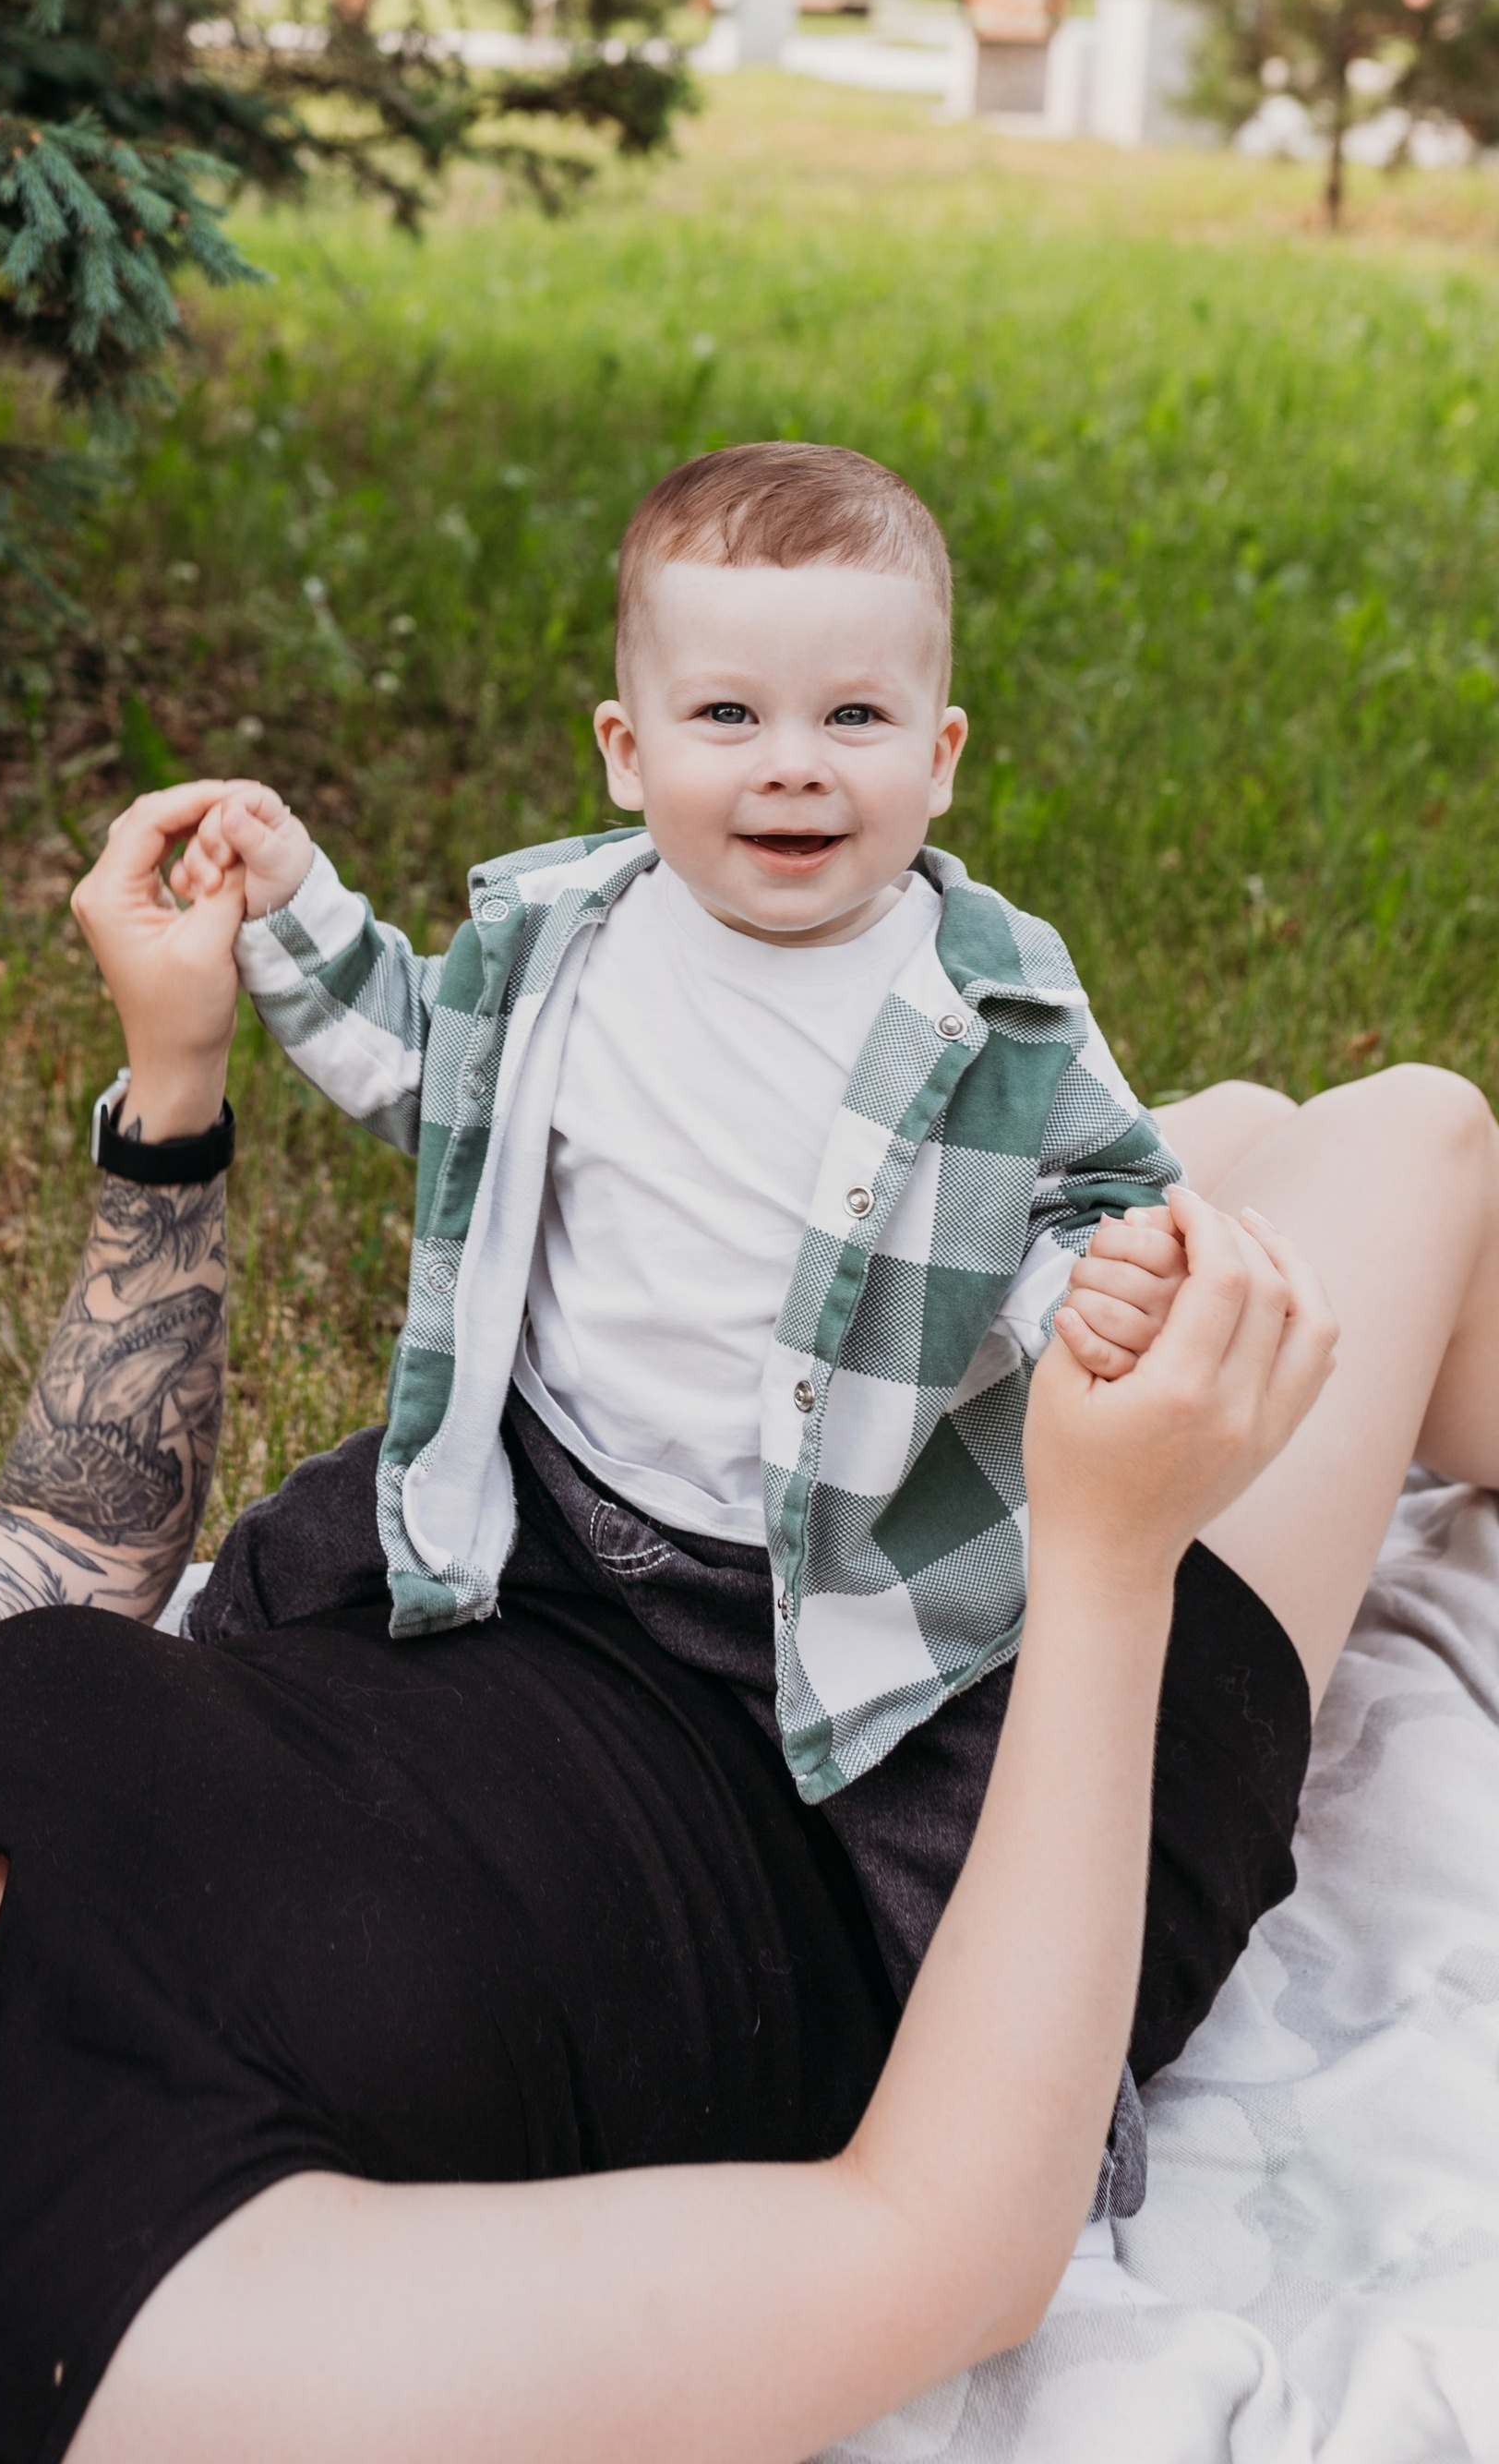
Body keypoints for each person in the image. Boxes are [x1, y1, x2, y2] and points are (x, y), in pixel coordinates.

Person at [0, 782, 1493, 2464]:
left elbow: (63, 1550)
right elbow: (937, 2247)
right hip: (930, 1795)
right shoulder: (150, 2348)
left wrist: (168, 1089)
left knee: (1205, 1131)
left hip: (579, 1538)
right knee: (1387, 1144)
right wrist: (1094, 1552)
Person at [167, 440, 1207, 2194]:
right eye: (728, 717)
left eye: (856, 720)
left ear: (940, 759)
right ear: (628, 750)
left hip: (851, 1555)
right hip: (562, 1485)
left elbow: (1105, 1194)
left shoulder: (995, 1003)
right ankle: (170, 1749)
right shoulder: (565, 944)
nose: (794, 765)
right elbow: (432, 1080)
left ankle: (1051, 2136)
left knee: (959, 1826)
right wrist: (296, 915)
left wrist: (1104, 1285)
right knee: (286, 1553)